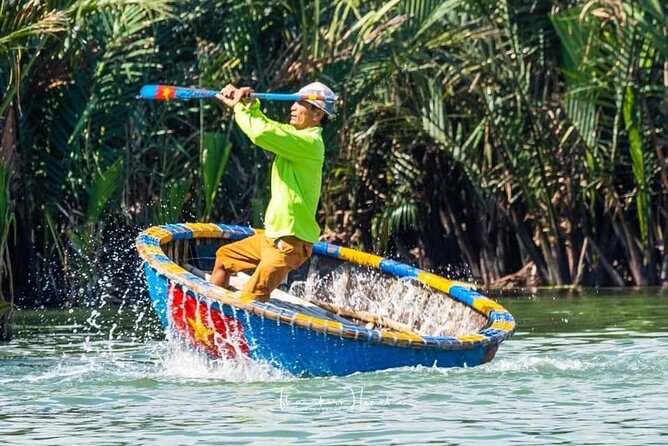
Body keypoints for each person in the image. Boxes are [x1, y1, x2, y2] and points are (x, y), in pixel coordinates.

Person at [210, 82, 335, 302]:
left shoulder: (310, 143)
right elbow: (267, 125)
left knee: (251, 301)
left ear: (317, 113)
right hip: (271, 238)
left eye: (301, 103)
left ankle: (240, 330)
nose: (293, 107)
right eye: (294, 102)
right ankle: (209, 318)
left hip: (289, 245)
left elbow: (260, 133)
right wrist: (251, 105)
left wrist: (239, 107)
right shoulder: (294, 134)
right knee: (224, 258)